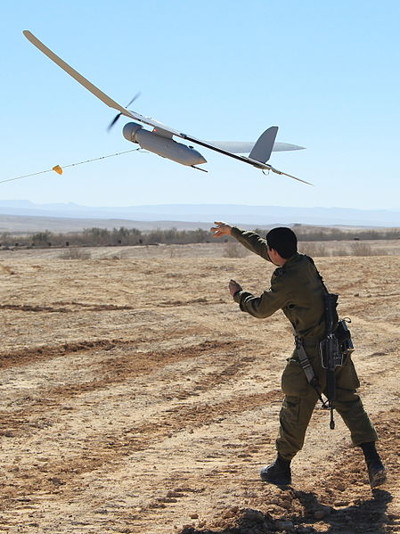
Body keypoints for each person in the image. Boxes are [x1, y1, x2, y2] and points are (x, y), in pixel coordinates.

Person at [210, 221, 386, 488]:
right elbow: (265, 249)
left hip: (313, 350)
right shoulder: (303, 262)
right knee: (348, 400)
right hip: (335, 341)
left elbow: (260, 308)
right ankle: (374, 461)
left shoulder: (286, 279)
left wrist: (239, 295)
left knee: (296, 402)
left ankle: (282, 467)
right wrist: (234, 232)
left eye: (270, 251)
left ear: (275, 252)